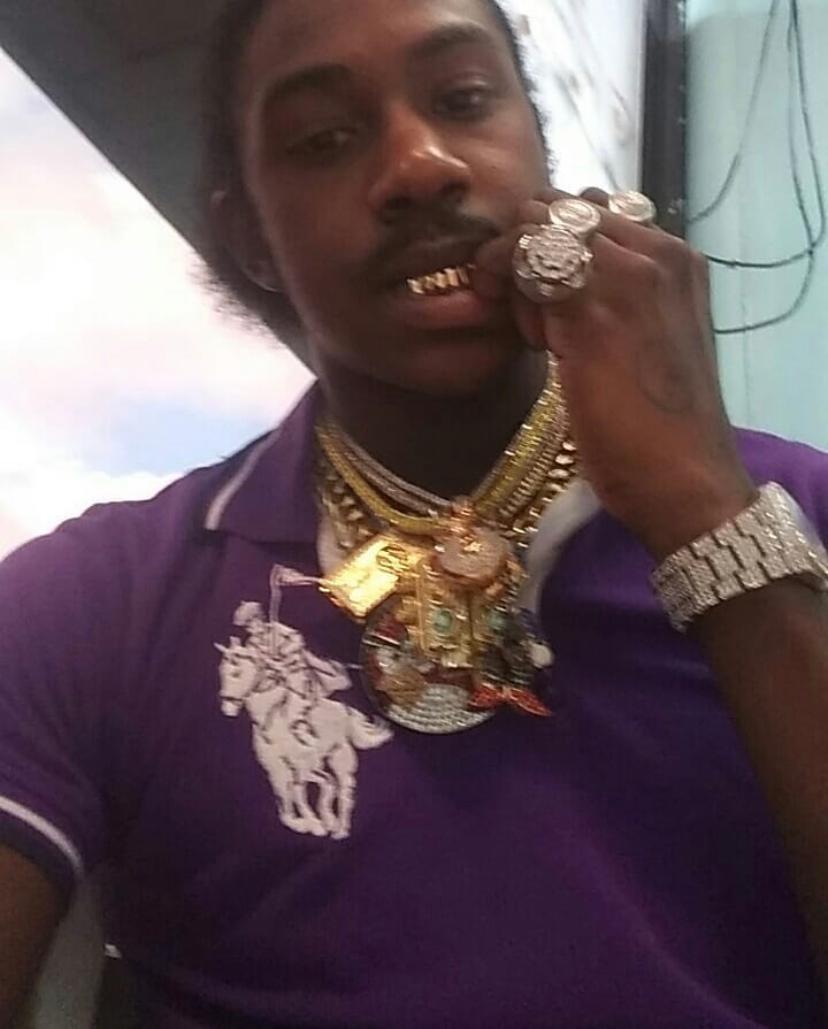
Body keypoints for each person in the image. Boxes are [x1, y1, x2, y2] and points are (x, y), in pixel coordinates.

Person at [1, 0, 827, 1025]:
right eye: (324, 139)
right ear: (250, 238)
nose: (420, 165)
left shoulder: (802, 509)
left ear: (542, 155)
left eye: (465, 98)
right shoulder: (94, 607)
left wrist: (708, 518)